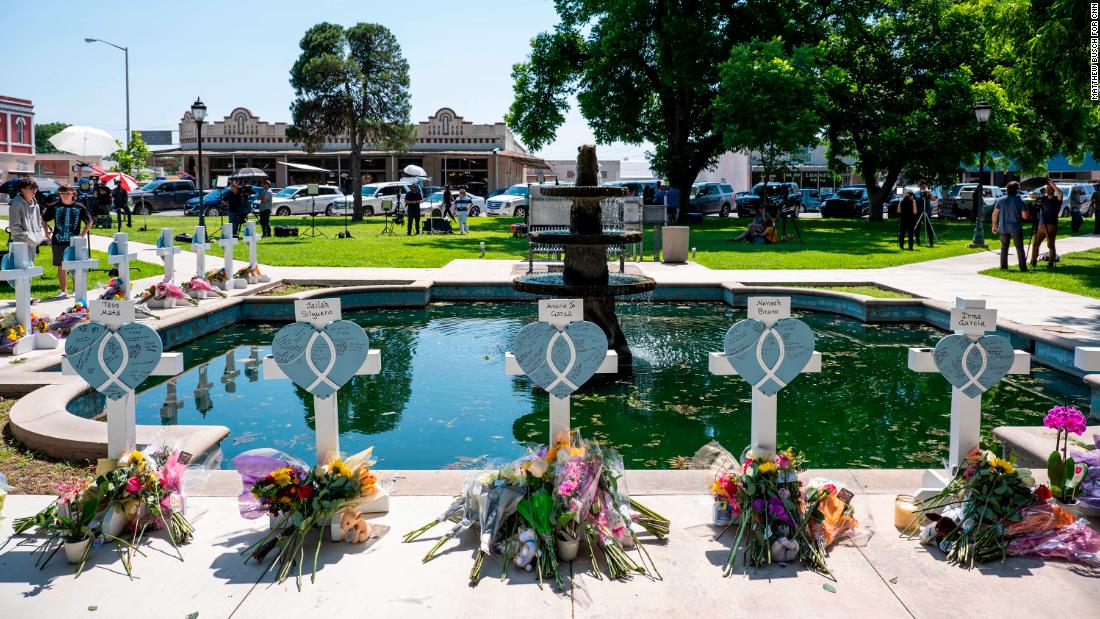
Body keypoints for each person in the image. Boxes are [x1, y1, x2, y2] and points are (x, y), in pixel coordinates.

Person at [43, 185, 92, 298]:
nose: (64, 195)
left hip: (74, 242)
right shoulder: (54, 207)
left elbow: (89, 221)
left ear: (73, 194)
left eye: (67, 193)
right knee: (61, 266)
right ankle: (64, 291)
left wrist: (82, 234)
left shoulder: (79, 207)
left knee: (75, 265)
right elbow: (44, 220)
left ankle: (76, 290)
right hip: (58, 240)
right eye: (62, 193)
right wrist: (46, 232)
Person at [992, 180, 1028, 271]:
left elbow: (994, 214)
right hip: (1016, 227)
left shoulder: (1000, 200)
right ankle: (1023, 267)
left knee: (1004, 247)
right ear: (1017, 190)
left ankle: (1003, 267)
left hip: (1003, 227)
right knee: (1019, 247)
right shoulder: (1020, 200)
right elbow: (1025, 216)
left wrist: (994, 226)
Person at [8, 178, 48, 259]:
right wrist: (30, 239)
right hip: (21, 244)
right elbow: (14, 228)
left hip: (33, 243)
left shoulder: (35, 204)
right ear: (22, 190)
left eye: (35, 188)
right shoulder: (16, 205)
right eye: (31, 189)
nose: (34, 191)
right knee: (21, 269)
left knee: (30, 266)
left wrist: (38, 236)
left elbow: (38, 222)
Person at [1030, 179, 1062, 268]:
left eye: (1050, 188)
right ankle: (1033, 261)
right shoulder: (1043, 199)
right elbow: (1034, 201)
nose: (1048, 190)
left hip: (1052, 225)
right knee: (1035, 243)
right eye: (1047, 188)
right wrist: (1033, 197)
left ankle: (1051, 262)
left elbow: (1060, 194)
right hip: (1041, 224)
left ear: (1053, 190)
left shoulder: (1057, 200)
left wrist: (1053, 185)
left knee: (1050, 244)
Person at [914, 181, 935, 247]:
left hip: (927, 212)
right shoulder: (916, 193)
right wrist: (922, 194)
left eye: (925, 186)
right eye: (923, 186)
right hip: (919, 212)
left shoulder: (928, 193)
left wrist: (929, 194)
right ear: (920, 186)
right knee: (917, 227)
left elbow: (933, 199)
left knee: (929, 227)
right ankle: (918, 241)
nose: (924, 187)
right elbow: (918, 199)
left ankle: (931, 242)